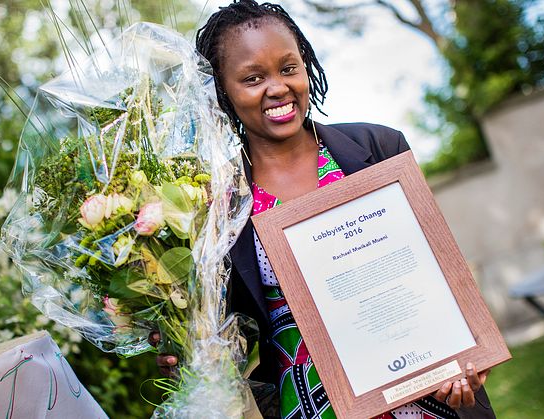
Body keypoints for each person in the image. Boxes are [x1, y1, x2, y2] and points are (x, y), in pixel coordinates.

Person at [154, 1, 495, 417]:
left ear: (306, 66)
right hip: (313, 404)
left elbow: (438, 272)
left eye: (288, 68)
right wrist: (184, 345)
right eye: (253, 77)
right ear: (223, 89)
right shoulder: (218, 202)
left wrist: (469, 357)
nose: (277, 87)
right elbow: (224, 330)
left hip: (427, 395)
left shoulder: (379, 149)